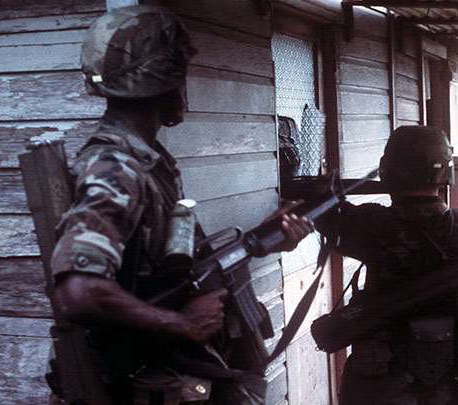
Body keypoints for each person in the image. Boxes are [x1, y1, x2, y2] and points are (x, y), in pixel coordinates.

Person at [50, 5, 313, 404]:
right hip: (142, 379)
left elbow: (169, 267)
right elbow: (79, 290)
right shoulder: (117, 168)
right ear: (164, 79)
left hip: (170, 372)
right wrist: (181, 322)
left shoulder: (149, 162)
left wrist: (266, 238)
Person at [317, 126, 458, 405]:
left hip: (382, 378)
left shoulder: (371, 224)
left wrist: (323, 192)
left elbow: (330, 218)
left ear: (387, 170)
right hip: (447, 373)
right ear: (445, 172)